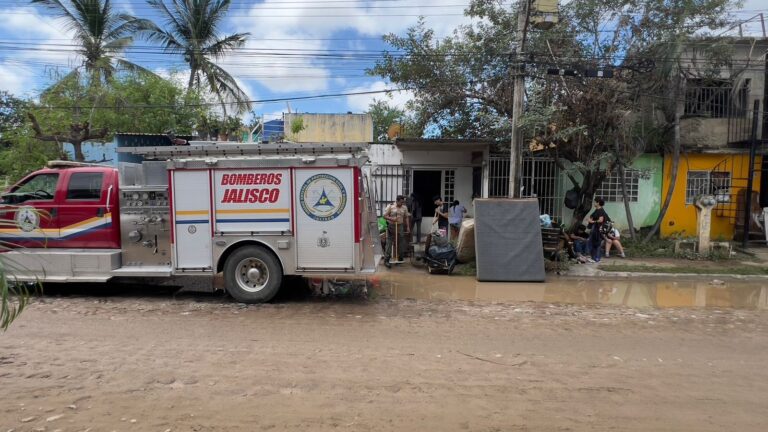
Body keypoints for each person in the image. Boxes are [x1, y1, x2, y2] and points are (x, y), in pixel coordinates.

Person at [382, 195, 411, 268]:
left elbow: (406, 217)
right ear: (397, 201)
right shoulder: (391, 206)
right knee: (389, 242)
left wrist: (407, 227)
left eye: (403, 202)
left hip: (400, 226)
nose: (402, 203)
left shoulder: (404, 207)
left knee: (401, 242)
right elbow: (384, 216)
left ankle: (400, 258)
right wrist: (392, 219)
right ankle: (386, 260)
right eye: (401, 202)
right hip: (391, 226)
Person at [587, 198, 610, 262]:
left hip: (598, 229)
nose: (594, 203)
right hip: (595, 228)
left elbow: (601, 220)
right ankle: (594, 257)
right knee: (593, 242)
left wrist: (592, 221)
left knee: (596, 243)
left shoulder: (600, 210)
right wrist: (590, 219)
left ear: (598, 203)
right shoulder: (597, 210)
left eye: (595, 202)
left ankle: (596, 257)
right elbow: (592, 217)